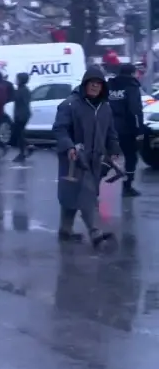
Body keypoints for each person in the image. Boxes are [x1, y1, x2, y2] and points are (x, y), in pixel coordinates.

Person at [53, 68, 120, 246]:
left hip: (95, 159)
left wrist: (114, 149)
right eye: (92, 83)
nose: (95, 87)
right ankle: (95, 231)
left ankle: (65, 230)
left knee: (73, 194)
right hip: (74, 159)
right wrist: (68, 146)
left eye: (98, 84)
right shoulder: (70, 104)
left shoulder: (105, 107)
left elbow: (111, 133)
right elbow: (60, 129)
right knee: (86, 194)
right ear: (85, 85)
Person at [107, 62, 144, 197]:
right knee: (131, 157)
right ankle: (127, 186)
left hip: (109, 127)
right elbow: (134, 110)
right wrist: (139, 130)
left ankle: (93, 187)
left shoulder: (109, 86)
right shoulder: (132, 86)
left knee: (108, 156)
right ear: (132, 73)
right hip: (127, 129)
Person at [10, 72, 32, 163]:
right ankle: (28, 148)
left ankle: (22, 153)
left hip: (21, 115)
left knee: (20, 135)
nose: (15, 80)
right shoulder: (21, 89)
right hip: (21, 114)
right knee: (20, 134)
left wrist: (19, 116)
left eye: (17, 78)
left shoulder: (23, 90)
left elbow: (24, 104)